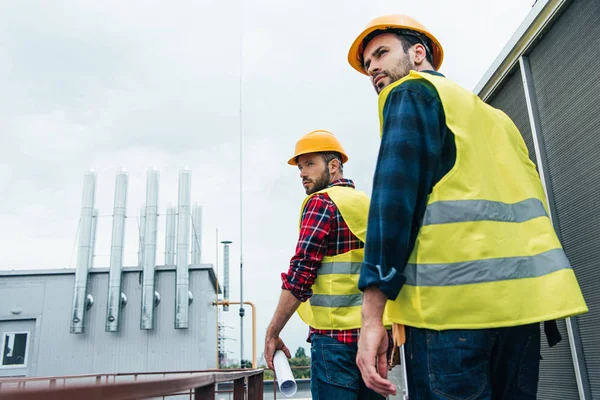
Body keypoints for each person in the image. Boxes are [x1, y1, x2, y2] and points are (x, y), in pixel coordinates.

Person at [345, 14, 589, 399]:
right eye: (367, 65)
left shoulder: (411, 92)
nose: (372, 67)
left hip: (450, 318)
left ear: (418, 53)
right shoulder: (497, 119)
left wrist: (372, 317)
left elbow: (393, 207)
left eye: (381, 53)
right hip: (521, 315)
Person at [264, 129, 384, 399]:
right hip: (372, 339)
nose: (302, 173)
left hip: (334, 343)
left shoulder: (321, 203)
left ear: (333, 166)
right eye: (300, 167)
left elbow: (301, 272)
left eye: (309, 164)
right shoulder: (369, 204)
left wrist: (273, 332)